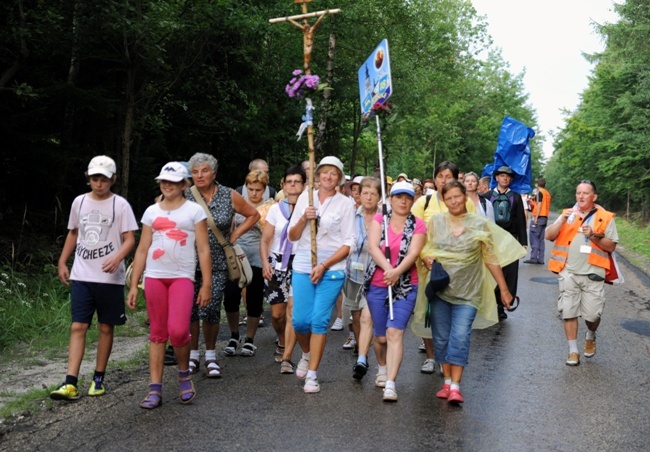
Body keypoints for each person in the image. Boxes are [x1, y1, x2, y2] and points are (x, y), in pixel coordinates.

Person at [424, 181, 525, 404]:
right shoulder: (436, 222)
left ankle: (456, 386)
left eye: (457, 197)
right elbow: (425, 247)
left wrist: (505, 291)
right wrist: (426, 257)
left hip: (468, 293)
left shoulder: (479, 224)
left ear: (466, 197)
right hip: (441, 291)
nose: (453, 202)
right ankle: (447, 382)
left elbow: (490, 258)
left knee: (460, 336)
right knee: (441, 338)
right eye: (448, 198)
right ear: (443, 200)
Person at [50, 156, 138, 401]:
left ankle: (98, 378)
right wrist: (62, 261)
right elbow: (74, 232)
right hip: (82, 274)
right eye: (94, 179)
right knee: (78, 325)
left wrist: (117, 257)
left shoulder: (120, 205)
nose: (99, 184)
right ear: (88, 179)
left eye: (104, 179)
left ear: (113, 180)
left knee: (105, 327)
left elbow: (130, 238)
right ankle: (70, 382)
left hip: (109, 278)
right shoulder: (79, 202)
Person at [126, 162, 211, 409]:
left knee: (177, 331)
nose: (167, 185)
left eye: (173, 182)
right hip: (154, 277)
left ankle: (184, 375)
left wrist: (206, 284)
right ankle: (155, 389)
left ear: (184, 185)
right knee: (157, 334)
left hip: (182, 277)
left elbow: (203, 249)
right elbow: (142, 249)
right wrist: (134, 284)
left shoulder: (194, 211)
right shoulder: (151, 212)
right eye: (164, 181)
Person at [186, 153, 259, 377]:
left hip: (218, 261)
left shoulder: (228, 194)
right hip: (187, 261)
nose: (199, 175)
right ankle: (192, 356)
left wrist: (234, 234)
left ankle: (209, 355)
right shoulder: (185, 195)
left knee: (210, 308)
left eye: (204, 171)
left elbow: (253, 214)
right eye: (195, 172)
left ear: (214, 173)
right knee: (190, 311)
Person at [288, 156, 355, 393]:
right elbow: (292, 236)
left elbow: (349, 243)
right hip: (304, 265)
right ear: (317, 175)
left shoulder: (346, 204)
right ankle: (306, 353)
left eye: (333, 173)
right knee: (300, 320)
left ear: (339, 178)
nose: (328, 177)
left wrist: (324, 264)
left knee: (318, 320)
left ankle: (313, 374)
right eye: (324, 172)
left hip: (332, 269)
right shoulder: (306, 199)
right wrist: (305, 219)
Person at [410, 161, 475, 374]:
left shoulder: (466, 202)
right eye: (440, 176)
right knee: (427, 312)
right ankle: (431, 356)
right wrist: (422, 255)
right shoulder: (423, 202)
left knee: (450, 314)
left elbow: (474, 231)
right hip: (426, 266)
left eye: (448, 176)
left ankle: (447, 358)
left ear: (457, 179)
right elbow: (413, 232)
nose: (443, 181)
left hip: (457, 269)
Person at [545, 180, 617, 366]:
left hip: (593, 273)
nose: (581, 196)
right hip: (568, 271)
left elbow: (611, 246)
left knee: (592, 316)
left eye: (586, 193)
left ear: (594, 197)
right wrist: (560, 219)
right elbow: (549, 235)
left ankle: (591, 334)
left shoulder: (605, 217)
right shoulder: (568, 215)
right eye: (578, 193)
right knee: (568, 311)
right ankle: (573, 351)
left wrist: (593, 235)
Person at [365, 182, 426, 401]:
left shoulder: (418, 224)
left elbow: (413, 253)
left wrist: (398, 271)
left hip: (406, 285)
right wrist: (389, 269)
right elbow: (373, 247)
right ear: (390, 199)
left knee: (395, 332)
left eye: (407, 198)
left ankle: (391, 383)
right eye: (398, 197)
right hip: (378, 283)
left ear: (412, 201)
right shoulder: (379, 220)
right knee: (380, 337)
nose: (403, 201)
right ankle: (381, 367)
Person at [223, 169, 273, 357]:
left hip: (258, 257)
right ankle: (234, 335)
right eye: (250, 189)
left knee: (254, 299)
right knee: (231, 296)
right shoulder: (238, 203)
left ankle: (250, 339)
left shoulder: (269, 207)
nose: (254, 193)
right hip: (236, 256)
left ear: (264, 189)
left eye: (258, 190)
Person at [260, 165, 306, 372]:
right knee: (277, 315)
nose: (293, 185)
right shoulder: (275, 210)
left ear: (304, 185)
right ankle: (281, 338)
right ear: (283, 185)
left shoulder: (309, 210)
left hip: (300, 263)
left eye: (297, 181)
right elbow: (265, 239)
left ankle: (287, 357)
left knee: (292, 311)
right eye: (289, 182)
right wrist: (265, 263)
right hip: (277, 263)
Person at [342, 177, 381, 380]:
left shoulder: (383, 218)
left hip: (374, 275)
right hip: (352, 274)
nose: (367, 197)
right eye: (364, 193)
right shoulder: (351, 215)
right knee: (356, 317)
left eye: (372, 194)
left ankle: (362, 359)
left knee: (367, 317)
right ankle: (361, 348)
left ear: (379, 197)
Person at [488, 166, 527, 320]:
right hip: (491, 240)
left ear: (511, 180)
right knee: (491, 270)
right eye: (502, 176)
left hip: (510, 239)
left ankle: (502, 304)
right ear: (496, 178)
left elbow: (520, 220)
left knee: (509, 272)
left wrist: (523, 242)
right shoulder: (487, 196)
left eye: (508, 177)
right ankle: (489, 302)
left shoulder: (515, 197)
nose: (505, 179)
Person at [524, 178, 552, 264]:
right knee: (541, 239)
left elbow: (539, 205)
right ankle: (541, 259)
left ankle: (533, 258)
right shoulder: (547, 193)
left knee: (534, 237)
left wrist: (535, 218)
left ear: (537, 185)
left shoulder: (540, 193)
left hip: (538, 217)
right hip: (544, 217)